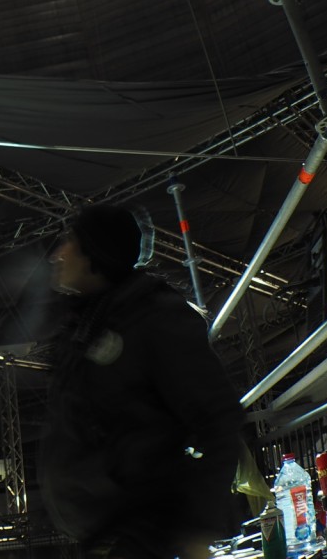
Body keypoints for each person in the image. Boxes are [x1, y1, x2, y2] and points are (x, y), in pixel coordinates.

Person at [38, 204, 246, 559]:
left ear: (94, 254)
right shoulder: (87, 326)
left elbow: (219, 419)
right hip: (105, 538)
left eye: (68, 242)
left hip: (141, 538)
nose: (57, 255)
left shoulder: (154, 319)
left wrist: (196, 528)